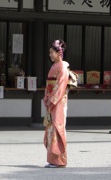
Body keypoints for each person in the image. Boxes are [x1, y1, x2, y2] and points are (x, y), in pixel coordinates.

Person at [43, 39, 69, 168]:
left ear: (59, 53)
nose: (50, 54)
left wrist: (52, 100)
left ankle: (59, 160)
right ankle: (52, 159)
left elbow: (61, 86)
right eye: (49, 52)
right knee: (51, 128)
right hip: (52, 99)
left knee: (58, 128)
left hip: (59, 102)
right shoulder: (54, 66)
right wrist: (46, 97)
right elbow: (49, 85)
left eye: (52, 52)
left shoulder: (63, 66)